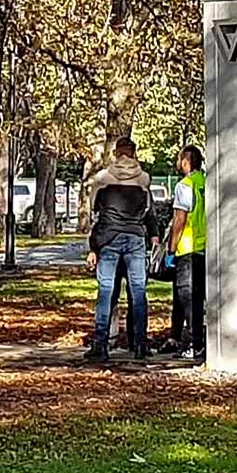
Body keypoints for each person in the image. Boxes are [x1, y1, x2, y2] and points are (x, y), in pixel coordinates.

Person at [85, 137, 159, 360]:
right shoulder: (143, 179)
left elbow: (95, 212)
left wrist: (93, 246)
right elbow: (149, 211)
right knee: (138, 292)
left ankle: (101, 344)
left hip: (109, 237)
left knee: (106, 291)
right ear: (134, 153)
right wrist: (154, 236)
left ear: (116, 153)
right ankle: (139, 345)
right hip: (135, 237)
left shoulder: (103, 179)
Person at [168, 145, 207, 362]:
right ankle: (193, 341)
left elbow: (180, 219)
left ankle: (194, 343)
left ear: (185, 162)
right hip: (203, 247)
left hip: (188, 247)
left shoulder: (185, 185)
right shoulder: (205, 182)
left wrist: (172, 248)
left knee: (188, 298)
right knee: (198, 297)